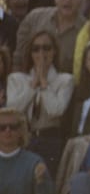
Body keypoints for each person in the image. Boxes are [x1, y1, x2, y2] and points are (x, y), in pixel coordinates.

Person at [6, 30, 74, 174]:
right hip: (23, 138)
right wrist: (33, 85)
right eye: (36, 49)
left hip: (50, 139)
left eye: (46, 48)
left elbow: (56, 110)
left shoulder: (65, 80)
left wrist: (44, 84)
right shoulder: (17, 79)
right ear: (30, 53)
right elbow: (13, 110)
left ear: (54, 51)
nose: (41, 53)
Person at [13, 0, 85, 73]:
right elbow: (18, 57)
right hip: (30, 81)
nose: (68, 0)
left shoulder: (87, 29)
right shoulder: (34, 18)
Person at [0, 107, 54, 194]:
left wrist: (41, 182)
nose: (7, 131)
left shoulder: (34, 162)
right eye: (2, 128)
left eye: (13, 127)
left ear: (21, 131)